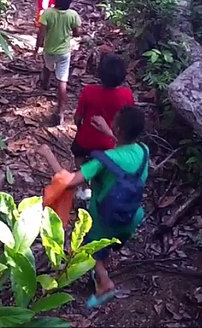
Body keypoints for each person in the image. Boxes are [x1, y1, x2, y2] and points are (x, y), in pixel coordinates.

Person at [38, 105, 149, 309]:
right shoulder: (144, 151)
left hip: (104, 219)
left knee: (86, 248)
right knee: (106, 244)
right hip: (133, 216)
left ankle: (105, 283)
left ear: (117, 130)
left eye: (113, 122)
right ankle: (103, 260)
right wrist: (108, 132)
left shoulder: (103, 161)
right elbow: (124, 155)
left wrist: (47, 154)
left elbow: (69, 182)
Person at [72, 53, 134, 163]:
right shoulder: (127, 95)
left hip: (86, 139)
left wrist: (79, 127)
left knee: (77, 151)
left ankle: (79, 174)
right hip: (110, 142)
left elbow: (78, 117)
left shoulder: (89, 91)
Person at [36, 0, 80, 126]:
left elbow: (41, 33)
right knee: (62, 81)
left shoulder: (47, 13)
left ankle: (45, 83)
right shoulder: (73, 15)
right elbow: (77, 33)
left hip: (49, 50)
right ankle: (60, 112)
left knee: (47, 67)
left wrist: (37, 47)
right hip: (64, 52)